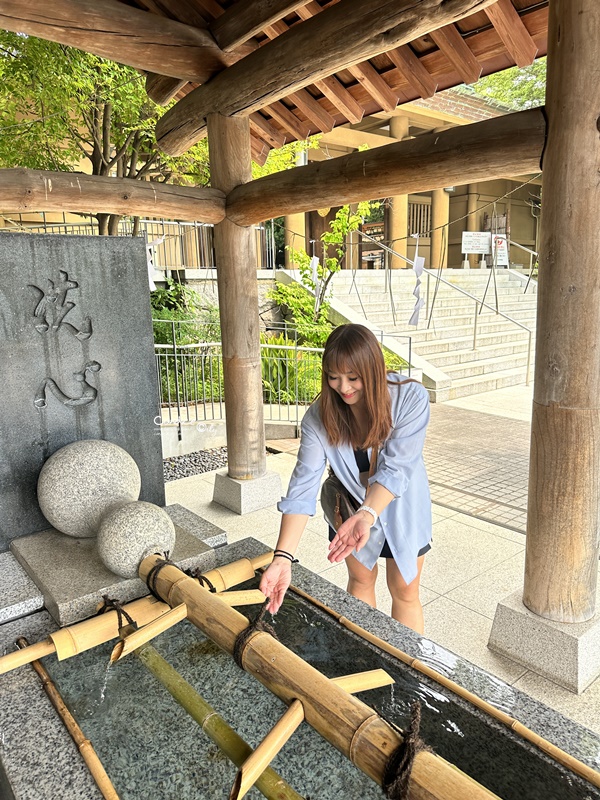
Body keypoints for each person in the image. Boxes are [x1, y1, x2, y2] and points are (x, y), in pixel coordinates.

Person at [259, 323, 432, 633]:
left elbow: (397, 469)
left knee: (405, 590)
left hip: (402, 506)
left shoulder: (410, 398)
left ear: (373, 369)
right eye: (333, 377)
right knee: (361, 579)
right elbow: (303, 486)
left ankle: (408, 673)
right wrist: (283, 558)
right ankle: (363, 660)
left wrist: (369, 513)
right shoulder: (318, 417)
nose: (344, 388)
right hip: (348, 509)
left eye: (353, 378)